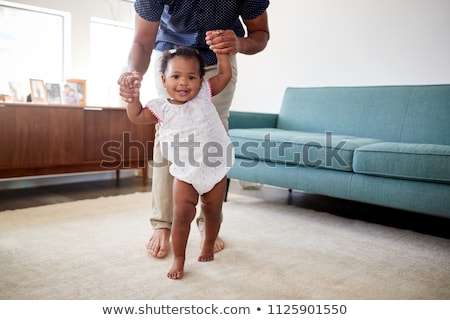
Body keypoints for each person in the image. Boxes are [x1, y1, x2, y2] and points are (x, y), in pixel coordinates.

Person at [118, 0, 270, 259]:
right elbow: (143, 42)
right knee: (170, 135)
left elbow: (261, 34)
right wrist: (132, 77)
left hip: (217, 60)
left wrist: (238, 44)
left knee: (214, 135)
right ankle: (164, 223)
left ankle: (207, 221)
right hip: (172, 61)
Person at [126, 45, 234, 279]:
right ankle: (179, 260)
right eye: (176, 76)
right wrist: (132, 97)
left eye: (191, 77)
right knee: (182, 216)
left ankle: (208, 243)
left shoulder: (206, 93)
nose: (183, 83)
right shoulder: (161, 108)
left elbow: (225, 75)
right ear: (164, 80)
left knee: (213, 212)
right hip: (185, 173)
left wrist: (222, 53)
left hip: (214, 170)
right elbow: (135, 116)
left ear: (200, 80)